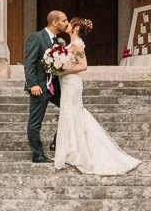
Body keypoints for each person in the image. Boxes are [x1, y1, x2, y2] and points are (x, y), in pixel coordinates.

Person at [54, 17, 141, 175]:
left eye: (70, 23)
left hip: (72, 83)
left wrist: (61, 71)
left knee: (72, 113)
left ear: (75, 28)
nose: (67, 24)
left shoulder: (78, 44)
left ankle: (77, 150)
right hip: (67, 83)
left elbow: (83, 65)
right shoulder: (73, 43)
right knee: (69, 114)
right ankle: (71, 147)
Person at [23, 9, 68, 162]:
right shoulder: (36, 38)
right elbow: (29, 63)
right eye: (64, 20)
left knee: (72, 109)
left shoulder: (58, 41)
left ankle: (57, 141)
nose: (66, 23)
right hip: (40, 87)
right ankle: (38, 154)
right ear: (54, 22)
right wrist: (33, 84)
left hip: (54, 87)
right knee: (35, 122)